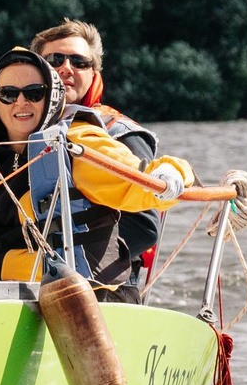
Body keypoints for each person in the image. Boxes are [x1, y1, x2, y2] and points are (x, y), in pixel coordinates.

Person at [0, 45, 217, 293]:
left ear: (51, 97)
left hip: (77, 298)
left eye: (34, 93)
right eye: (9, 94)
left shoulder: (76, 138)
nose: (21, 102)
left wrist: (171, 175)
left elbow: (138, 182)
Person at [29, 19, 165, 301]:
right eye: (55, 60)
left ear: (94, 74)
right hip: (21, 278)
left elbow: (145, 227)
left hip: (103, 287)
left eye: (80, 62)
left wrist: (71, 259)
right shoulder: (14, 132)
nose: (67, 68)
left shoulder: (120, 133)